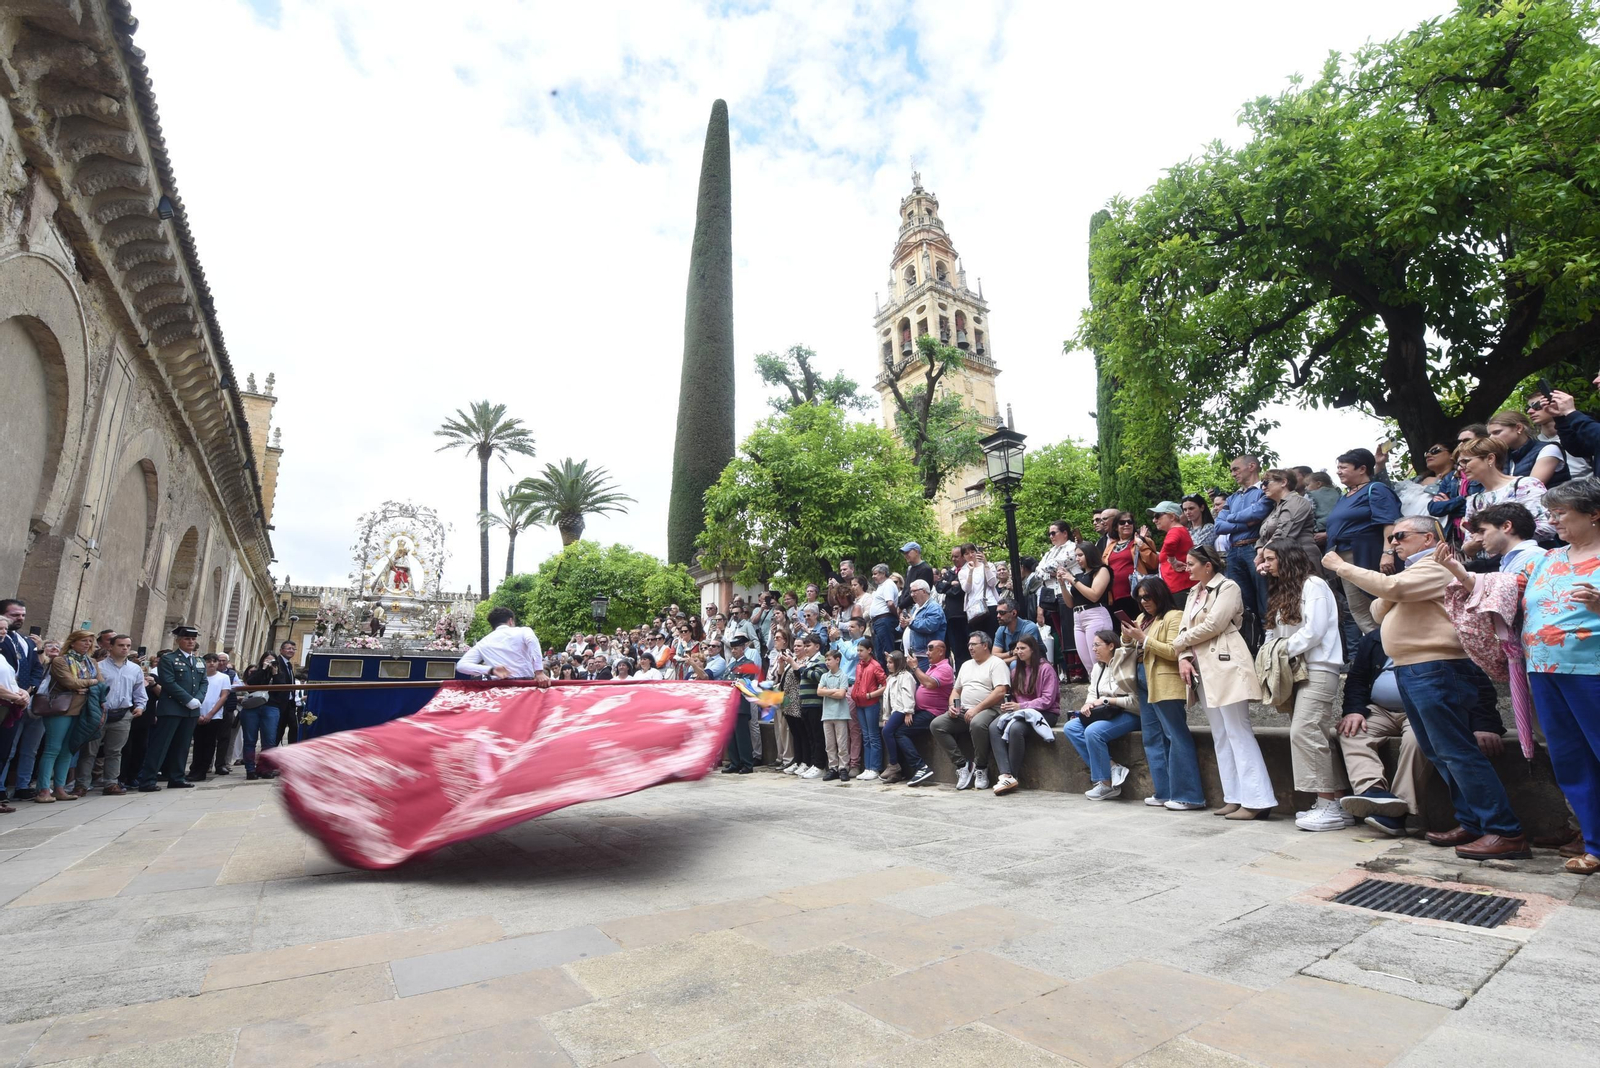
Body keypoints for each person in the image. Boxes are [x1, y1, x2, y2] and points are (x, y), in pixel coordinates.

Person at [1323, 517, 1531, 860]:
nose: (1393, 544)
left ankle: (1504, 830)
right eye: (1391, 538)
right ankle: (1474, 822)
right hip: (1416, 669)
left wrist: (1342, 566)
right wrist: (1393, 588)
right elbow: (1378, 608)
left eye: (1400, 536)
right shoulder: (1413, 573)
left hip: (1437, 668)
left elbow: (1390, 593)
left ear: (1427, 538)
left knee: (1457, 751)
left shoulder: (1438, 565)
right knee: (1441, 753)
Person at [1513, 477, 1600, 875]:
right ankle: (1595, 845)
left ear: (1594, 513)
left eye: (1561, 513)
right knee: (1571, 760)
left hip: (1592, 670)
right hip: (1545, 671)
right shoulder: (1547, 558)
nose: (1553, 521)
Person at [1172, 546, 1275, 820]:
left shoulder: (1228, 587)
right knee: (1220, 732)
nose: (1187, 568)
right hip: (1201, 665)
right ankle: (1234, 796)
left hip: (1226, 662)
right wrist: (1182, 656)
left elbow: (1214, 625)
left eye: (1191, 563)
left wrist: (1179, 643)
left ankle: (1257, 799)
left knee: (1237, 729)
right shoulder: (1194, 593)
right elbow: (1184, 628)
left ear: (1208, 565)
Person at [1258, 544, 1350, 831]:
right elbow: (1272, 632)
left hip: (1318, 668)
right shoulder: (1282, 591)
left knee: (1305, 732)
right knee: (1315, 735)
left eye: (1271, 559)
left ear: (1289, 559)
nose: (1265, 564)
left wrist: (1281, 650)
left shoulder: (1315, 585)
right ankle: (1339, 804)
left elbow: (1315, 630)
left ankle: (1327, 806)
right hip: (1291, 670)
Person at [1121, 577, 1204, 811]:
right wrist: (1128, 635)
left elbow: (1173, 650)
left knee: (1175, 735)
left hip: (1164, 680)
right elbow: (1128, 645)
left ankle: (1190, 795)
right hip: (1142, 677)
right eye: (1140, 597)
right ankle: (1165, 791)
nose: (1144, 601)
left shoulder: (1173, 616)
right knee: (1152, 738)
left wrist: (1143, 639)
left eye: (1148, 596)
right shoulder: (1141, 619)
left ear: (1160, 594)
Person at [1324, 447, 1401, 638]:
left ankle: (1393, 649)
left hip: (1367, 554)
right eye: (1338, 467)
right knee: (1360, 609)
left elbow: (1389, 523)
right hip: (1344, 558)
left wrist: (1388, 553)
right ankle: (1379, 651)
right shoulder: (1345, 495)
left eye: (1343, 467)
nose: (1338, 471)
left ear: (1362, 469)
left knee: (1379, 604)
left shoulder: (1376, 489)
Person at [1063, 629, 1139, 800]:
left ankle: (1105, 784)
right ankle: (1112, 767)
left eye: (1097, 645)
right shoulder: (1098, 668)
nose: (1094, 649)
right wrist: (1088, 704)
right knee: (1070, 727)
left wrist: (1106, 701)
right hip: (1107, 714)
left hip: (1130, 713)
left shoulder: (1124, 664)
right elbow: (1092, 692)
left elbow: (1135, 702)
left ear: (1111, 645)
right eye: (1093, 645)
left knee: (1093, 731)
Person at [931, 631, 1011, 792]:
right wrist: (953, 706)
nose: (970, 648)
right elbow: (956, 691)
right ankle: (963, 765)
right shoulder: (966, 665)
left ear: (985, 645)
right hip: (964, 710)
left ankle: (981, 767)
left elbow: (1001, 691)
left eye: (973, 644)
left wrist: (977, 709)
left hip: (990, 709)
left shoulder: (996, 663)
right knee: (937, 724)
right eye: (968, 645)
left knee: (977, 723)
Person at [135, 626, 208, 793]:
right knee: (160, 745)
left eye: (193, 639)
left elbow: (204, 682)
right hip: (172, 708)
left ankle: (177, 777)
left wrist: (198, 699)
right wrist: (188, 699)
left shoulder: (199, 661)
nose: (190, 642)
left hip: (191, 710)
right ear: (178, 640)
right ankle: (148, 779)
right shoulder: (169, 659)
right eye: (186, 639)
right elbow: (168, 682)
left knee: (182, 745)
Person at [987, 633, 1059, 795]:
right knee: (994, 726)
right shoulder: (1015, 672)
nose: (1018, 652)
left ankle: (1013, 775)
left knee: (1016, 729)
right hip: (1020, 712)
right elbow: (1014, 697)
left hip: (1045, 713)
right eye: (1016, 649)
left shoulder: (1046, 669)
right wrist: (1009, 705)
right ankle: (1005, 773)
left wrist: (1021, 706)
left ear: (1033, 649)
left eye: (1022, 648)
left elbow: (1047, 700)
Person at [1456, 435, 1556, 545]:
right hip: (1489, 562)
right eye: (1459, 463)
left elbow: (1547, 527)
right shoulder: (1474, 500)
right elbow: (1467, 546)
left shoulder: (1524, 485)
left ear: (1490, 458)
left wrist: (1490, 538)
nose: (1460, 468)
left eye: (1465, 461)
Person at [36, 629, 99, 803]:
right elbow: (70, 682)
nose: (87, 644)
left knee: (68, 750)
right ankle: (43, 790)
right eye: (83, 641)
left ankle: (59, 788)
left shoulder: (91, 662)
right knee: (52, 749)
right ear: (72, 642)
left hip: (83, 710)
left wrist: (85, 685)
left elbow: (101, 683)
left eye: (89, 641)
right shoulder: (60, 661)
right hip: (61, 708)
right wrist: (89, 682)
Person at [1214, 454, 1271, 620]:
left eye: (1235, 469)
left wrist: (1231, 517)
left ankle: (1270, 642)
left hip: (1255, 549)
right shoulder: (1232, 497)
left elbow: (1258, 513)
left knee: (1265, 599)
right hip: (1233, 552)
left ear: (1251, 466)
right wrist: (1247, 523)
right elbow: (1218, 526)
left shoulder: (1264, 490)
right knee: (1243, 604)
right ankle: (1252, 642)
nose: (1233, 474)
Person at [89, 634, 143, 796]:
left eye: (127, 645)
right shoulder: (98, 667)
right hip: (100, 713)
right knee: (90, 751)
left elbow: (139, 690)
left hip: (122, 713)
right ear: (110, 647)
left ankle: (111, 783)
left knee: (115, 751)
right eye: (121, 645)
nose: (125, 648)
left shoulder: (134, 669)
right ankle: (82, 783)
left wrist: (140, 706)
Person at [895, 640, 951, 788]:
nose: (927, 653)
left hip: (933, 713)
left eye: (931, 649)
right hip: (922, 710)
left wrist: (915, 668)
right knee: (893, 728)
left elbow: (929, 684)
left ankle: (921, 767)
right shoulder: (933, 667)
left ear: (941, 651)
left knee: (900, 732)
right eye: (927, 649)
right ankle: (897, 768)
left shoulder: (945, 668)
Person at [1059, 543, 1114, 683]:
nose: (1077, 559)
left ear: (1089, 554)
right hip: (1078, 618)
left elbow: (1094, 595)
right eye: (1076, 555)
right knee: (1088, 664)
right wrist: (1062, 584)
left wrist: (1072, 579)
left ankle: (1106, 692)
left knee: (1099, 660)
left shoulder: (1102, 570)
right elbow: (1070, 603)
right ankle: (1095, 691)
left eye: (1080, 555)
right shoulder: (1080, 575)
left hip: (1095, 614)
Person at [454, 608, 550, 684]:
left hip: (498, 690)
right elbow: (533, 641)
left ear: (492, 626)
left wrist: (491, 670)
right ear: (511, 621)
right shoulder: (524, 631)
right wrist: (539, 672)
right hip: (525, 687)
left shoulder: (483, 643)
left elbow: (461, 666)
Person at [1257, 470, 1320, 571]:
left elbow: (1283, 533)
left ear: (1283, 482)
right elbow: (1263, 536)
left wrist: (1262, 554)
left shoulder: (1297, 501)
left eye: (1266, 482)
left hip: (1302, 558)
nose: (1263, 487)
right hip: (1283, 560)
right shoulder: (1275, 507)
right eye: (1261, 484)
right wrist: (1259, 548)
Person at [187, 654, 233, 782]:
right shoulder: (197, 676)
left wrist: (210, 714)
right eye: (208, 661)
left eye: (214, 661)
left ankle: (202, 770)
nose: (211, 663)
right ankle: (194, 768)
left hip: (213, 715)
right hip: (197, 714)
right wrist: (198, 713)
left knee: (209, 743)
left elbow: (223, 696)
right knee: (198, 743)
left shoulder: (223, 677)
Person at [1488, 409, 1565, 485]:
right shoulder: (1504, 456)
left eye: (1497, 432)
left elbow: (1532, 486)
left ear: (1519, 428)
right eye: (1490, 434)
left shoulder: (1549, 449)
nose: (1491, 438)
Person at [1527, 392, 1590, 482]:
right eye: (1528, 408)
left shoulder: (1581, 433)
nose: (1530, 411)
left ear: (1556, 404)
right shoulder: (1531, 443)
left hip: (1587, 490)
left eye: (1537, 406)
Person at [793, 634, 829, 780]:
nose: (806, 649)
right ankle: (814, 763)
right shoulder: (808, 661)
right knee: (810, 736)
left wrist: (802, 670)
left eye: (808, 646)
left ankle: (820, 765)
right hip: (806, 703)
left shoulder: (820, 660)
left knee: (817, 736)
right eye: (805, 646)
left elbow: (818, 676)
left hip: (816, 704)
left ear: (817, 647)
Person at [879, 651, 918, 783]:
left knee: (887, 731)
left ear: (898, 662)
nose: (888, 665)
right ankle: (897, 773)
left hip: (901, 710)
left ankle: (893, 764)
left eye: (891, 662)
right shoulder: (891, 678)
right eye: (887, 662)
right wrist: (886, 716)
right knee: (893, 734)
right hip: (894, 710)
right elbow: (887, 699)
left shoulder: (905, 676)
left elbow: (908, 693)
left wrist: (908, 711)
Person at [240, 653, 280, 780]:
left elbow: (281, 688)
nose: (269, 662)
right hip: (252, 707)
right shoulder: (257, 671)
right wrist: (262, 669)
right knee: (250, 739)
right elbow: (251, 683)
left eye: (272, 660)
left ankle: (265, 768)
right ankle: (250, 769)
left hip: (270, 707)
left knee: (269, 740)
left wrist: (275, 672)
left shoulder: (278, 672)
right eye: (267, 660)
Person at [1147, 502, 1195, 607]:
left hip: (1180, 587)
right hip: (1180, 586)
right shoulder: (1180, 530)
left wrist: (1173, 561)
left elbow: (1169, 544)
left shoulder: (1175, 531)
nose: (1154, 520)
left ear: (1172, 516)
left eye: (1157, 516)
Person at [850, 637, 885, 780]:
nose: (859, 653)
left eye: (861, 650)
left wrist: (871, 695)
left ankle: (875, 767)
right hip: (860, 703)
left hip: (871, 704)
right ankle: (868, 767)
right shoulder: (859, 665)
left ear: (869, 650)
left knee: (873, 736)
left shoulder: (875, 666)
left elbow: (885, 684)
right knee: (865, 736)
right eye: (858, 650)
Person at [817, 650, 851, 782]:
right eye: (826, 660)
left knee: (842, 743)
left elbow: (841, 694)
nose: (827, 662)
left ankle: (843, 768)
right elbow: (819, 691)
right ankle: (833, 767)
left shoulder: (843, 675)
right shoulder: (824, 676)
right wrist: (833, 691)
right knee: (829, 743)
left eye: (829, 659)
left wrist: (827, 692)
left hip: (840, 714)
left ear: (837, 660)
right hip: (827, 714)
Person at [958, 544, 1000, 648]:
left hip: (990, 604)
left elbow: (992, 582)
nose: (971, 555)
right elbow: (966, 589)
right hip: (974, 609)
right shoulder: (963, 572)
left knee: (992, 637)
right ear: (963, 557)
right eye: (967, 553)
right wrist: (971, 572)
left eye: (972, 552)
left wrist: (985, 564)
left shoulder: (989, 565)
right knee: (978, 640)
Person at [900, 579, 946, 671]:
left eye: (914, 591)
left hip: (927, 656)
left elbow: (930, 626)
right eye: (911, 592)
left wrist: (911, 622)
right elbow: (911, 625)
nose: (912, 594)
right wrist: (903, 625)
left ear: (924, 591)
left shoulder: (934, 607)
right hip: (915, 655)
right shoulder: (915, 608)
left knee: (925, 683)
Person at [1104, 513, 1141, 618]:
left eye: (1130, 522)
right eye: (1122, 522)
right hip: (1114, 595)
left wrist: (1142, 543)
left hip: (1134, 593)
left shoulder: (1138, 542)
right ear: (1116, 527)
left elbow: (1152, 562)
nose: (1126, 524)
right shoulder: (1110, 546)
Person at [866, 563, 899, 671]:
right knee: (880, 653)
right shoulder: (881, 586)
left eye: (875, 574)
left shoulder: (888, 584)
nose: (873, 576)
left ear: (883, 573)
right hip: (878, 622)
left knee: (887, 651)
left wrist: (896, 615)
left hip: (884, 620)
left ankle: (892, 675)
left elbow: (890, 603)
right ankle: (884, 678)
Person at [267, 640, 299, 748]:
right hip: (279, 702)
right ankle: (272, 752)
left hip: (289, 703)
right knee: (278, 729)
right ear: (281, 650)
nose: (291, 651)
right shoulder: (277, 662)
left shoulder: (289, 665)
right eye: (289, 648)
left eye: (293, 649)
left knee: (294, 727)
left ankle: (292, 750)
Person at [992, 598, 1040, 664]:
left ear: (1014, 613)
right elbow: (994, 655)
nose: (998, 616)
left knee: (1014, 664)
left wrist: (1001, 662)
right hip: (1013, 663)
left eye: (1002, 613)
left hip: (1034, 665)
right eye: (997, 613)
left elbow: (1025, 655)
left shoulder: (1029, 627)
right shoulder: (1001, 629)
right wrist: (1011, 653)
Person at [898, 542, 936, 612]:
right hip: (906, 609)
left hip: (917, 609)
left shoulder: (925, 569)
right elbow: (906, 590)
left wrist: (901, 606)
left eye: (907, 552)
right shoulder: (910, 569)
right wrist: (900, 605)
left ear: (916, 552)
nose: (905, 555)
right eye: (904, 553)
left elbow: (917, 593)